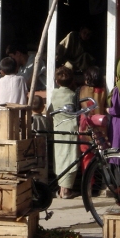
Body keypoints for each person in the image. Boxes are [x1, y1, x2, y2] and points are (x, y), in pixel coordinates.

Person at [48, 66, 78, 199]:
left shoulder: (54, 93)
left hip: (58, 129)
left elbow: (49, 111)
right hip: (71, 129)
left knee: (60, 158)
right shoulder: (73, 95)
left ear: (57, 81)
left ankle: (62, 189)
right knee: (70, 158)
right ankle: (65, 191)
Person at [74, 66, 109, 173]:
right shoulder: (103, 91)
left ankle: (89, 184)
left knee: (87, 158)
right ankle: (105, 183)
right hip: (101, 128)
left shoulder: (80, 90)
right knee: (103, 157)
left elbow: (76, 109)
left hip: (85, 129)